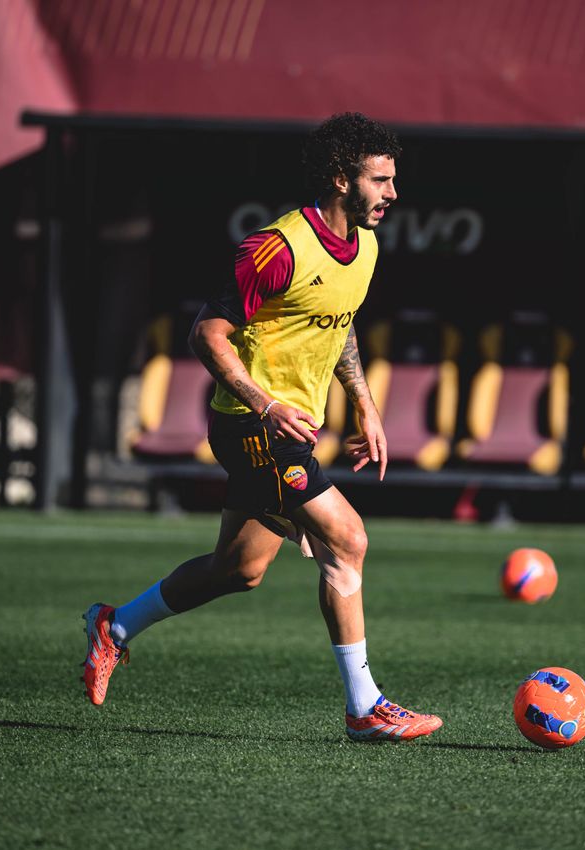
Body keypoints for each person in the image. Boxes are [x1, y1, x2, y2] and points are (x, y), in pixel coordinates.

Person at [81, 113, 442, 742]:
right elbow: (207, 333)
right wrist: (266, 404)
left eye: (392, 180)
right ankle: (365, 707)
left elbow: (339, 320)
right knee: (347, 542)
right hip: (252, 427)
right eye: (380, 180)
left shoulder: (367, 247)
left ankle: (113, 626)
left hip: (293, 431)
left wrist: (364, 403)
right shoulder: (275, 248)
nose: (392, 194)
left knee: (239, 570)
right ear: (339, 179)